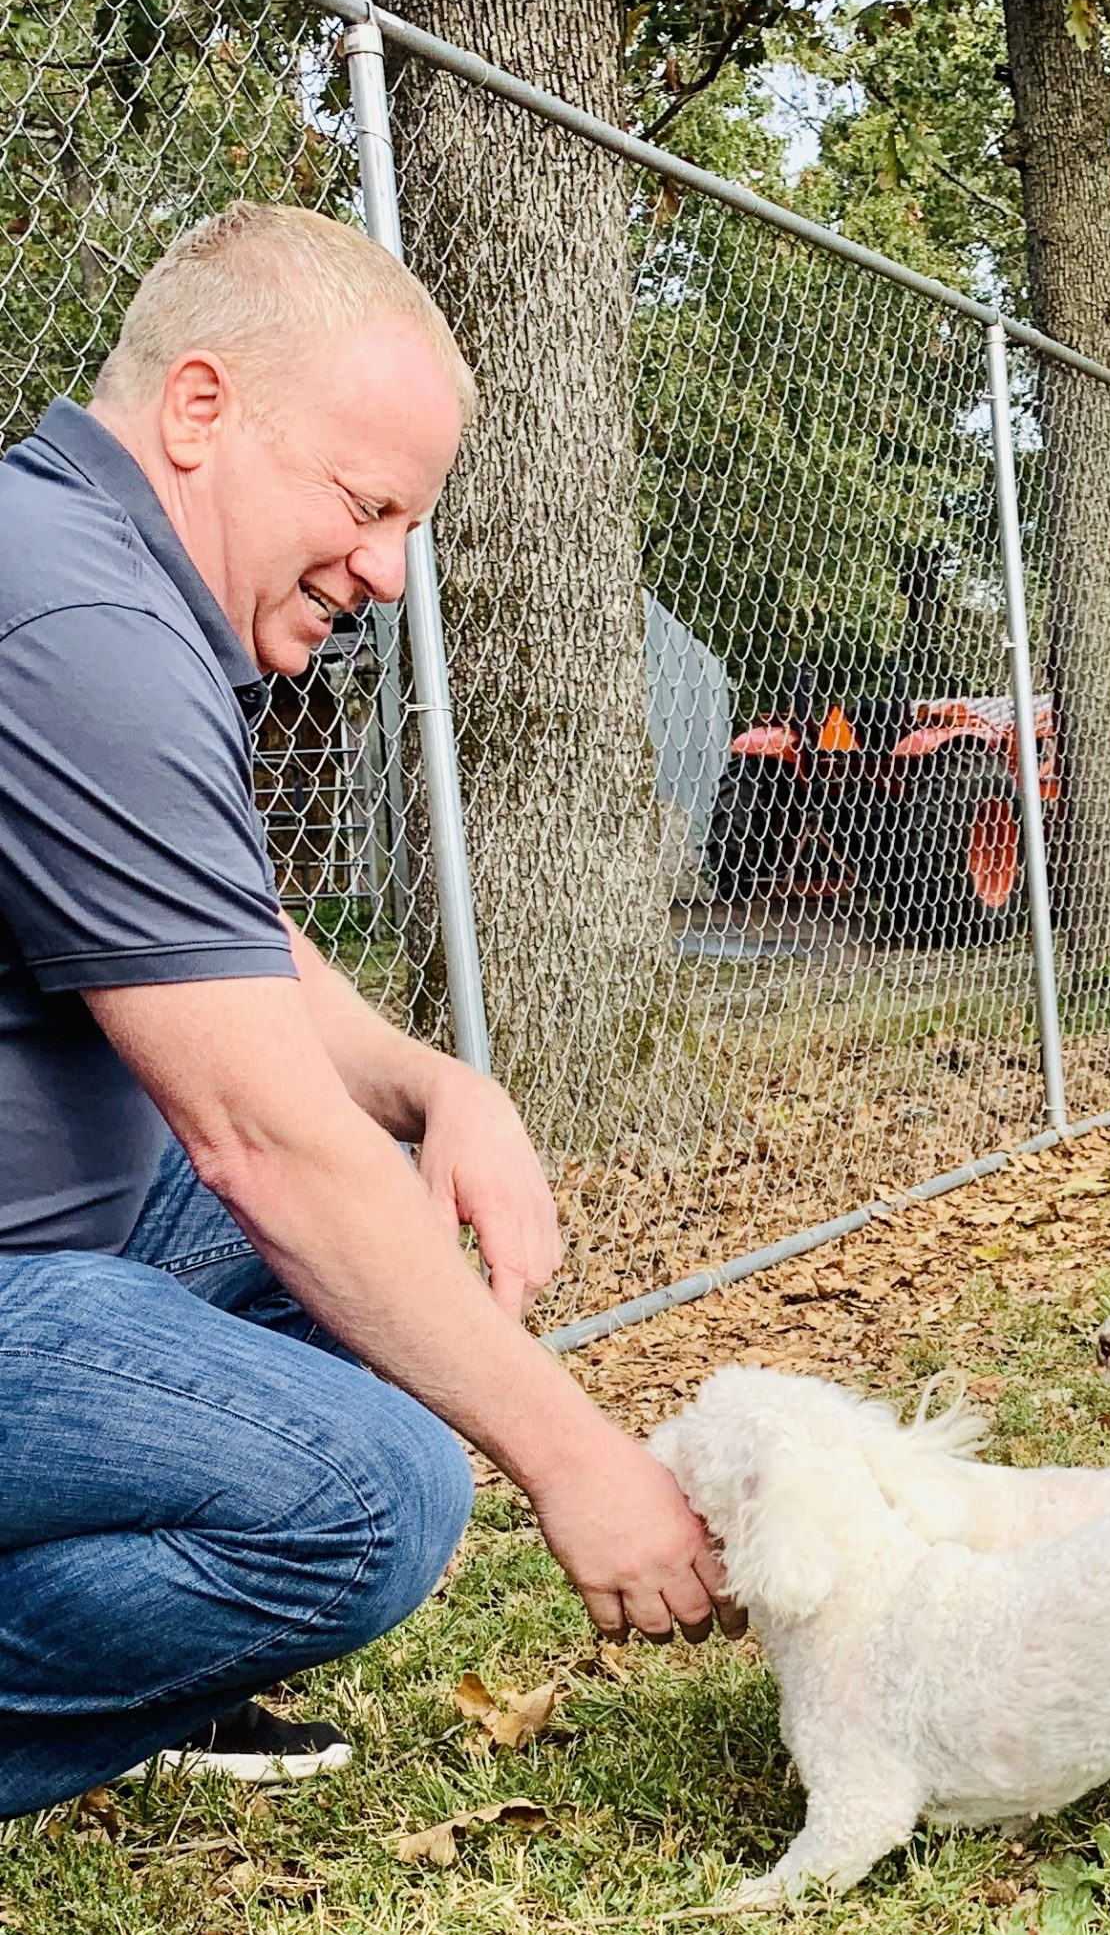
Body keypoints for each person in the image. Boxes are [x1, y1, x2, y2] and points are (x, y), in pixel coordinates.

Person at [0, 202, 740, 1821]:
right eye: (366, 503)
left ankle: (136, 1668)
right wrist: (583, 1466)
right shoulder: (76, 623)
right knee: (372, 1494)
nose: (388, 572)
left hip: (62, 1237)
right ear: (200, 409)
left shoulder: (89, 566)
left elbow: (226, 930)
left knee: (394, 1243)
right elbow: (261, 1139)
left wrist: (433, 1087)